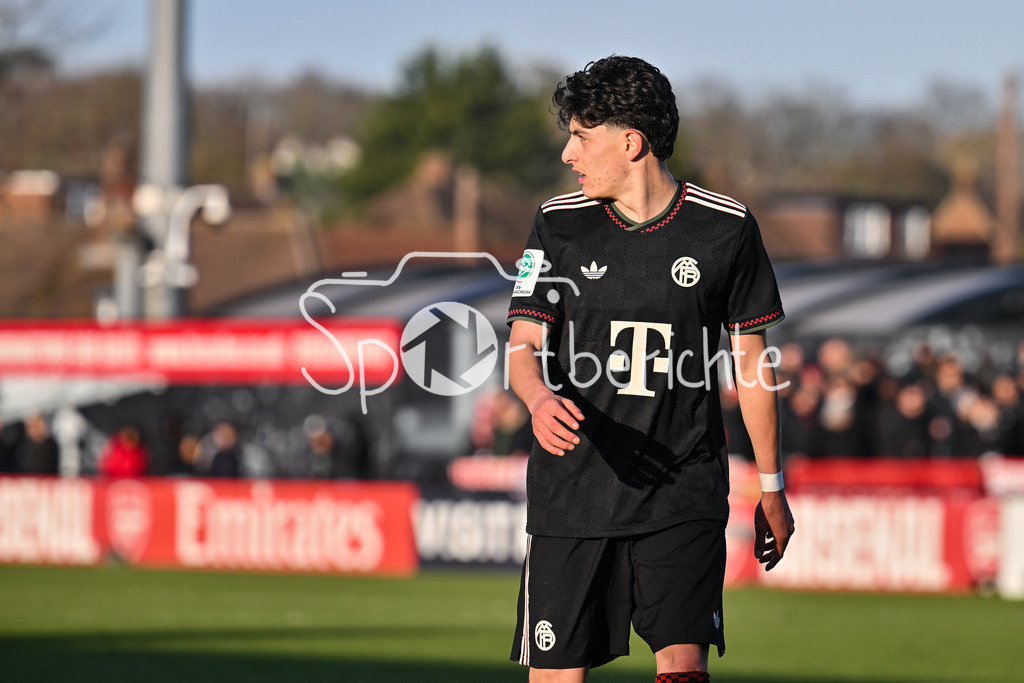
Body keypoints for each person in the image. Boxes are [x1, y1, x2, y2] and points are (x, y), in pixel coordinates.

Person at [505, 55, 795, 682]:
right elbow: (522, 346)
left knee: (682, 669)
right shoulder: (556, 226)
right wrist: (537, 400)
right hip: (572, 493)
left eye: (581, 136)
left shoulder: (727, 229)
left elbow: (753, 367)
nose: (567, 154)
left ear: (630, 141)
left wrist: (771, 487)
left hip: (682, 487)